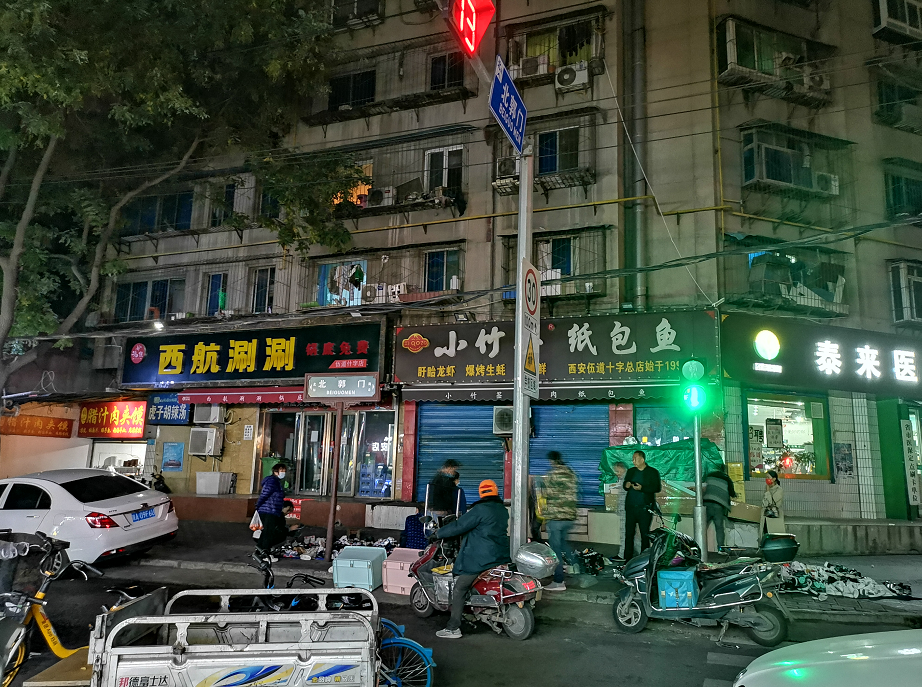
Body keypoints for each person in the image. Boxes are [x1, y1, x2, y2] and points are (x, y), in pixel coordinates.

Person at [433, 479, 511, 639]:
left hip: (481, 559)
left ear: (481, 493)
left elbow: (459, 526)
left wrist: (438, 534)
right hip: (500, 555)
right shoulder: (502, 510)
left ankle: (453, 628)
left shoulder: (480, 510)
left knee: (460, 588)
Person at [541, 450, 578, 591]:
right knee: (563, 544)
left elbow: (545, 494)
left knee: (555, 550)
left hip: (556, 517)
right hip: (569, 516)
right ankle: (577, 568)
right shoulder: (571, 473)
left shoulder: (552, 475)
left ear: (551, 461)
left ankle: (558, 581)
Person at [622, 450, 662, 561]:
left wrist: (642, 488)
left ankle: (644, 559)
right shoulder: (631, 471)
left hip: (644, 508)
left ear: (642, 459)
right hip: (631, 507)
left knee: (645, 534)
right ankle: (627, 559)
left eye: (635, 459)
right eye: (632, 459)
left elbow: (657, 488)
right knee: (629, 534)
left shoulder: (652, 472)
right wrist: (626, 485)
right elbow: (625, 485)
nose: (633, 461)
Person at [255, 463, 288, 553]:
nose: (283, 472)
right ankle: (264, 552)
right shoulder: (272, 481)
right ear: (275, 471)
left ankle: (259, 551)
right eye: (281, 470)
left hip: (272, 510)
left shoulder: (276, 481)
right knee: (268, 532)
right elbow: (264, 494)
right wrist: (258, 505)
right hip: (269, 510)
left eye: (284, 471)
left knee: (267, 532)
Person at [702, 464, 737, 550]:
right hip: (718, 506)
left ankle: (699, 547)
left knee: (702, 527)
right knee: (719, 528)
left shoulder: (709, 476)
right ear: (723, 470)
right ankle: (721, 548)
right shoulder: (726, 479)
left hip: (706, 504)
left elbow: (703, 487)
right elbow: (732, 493)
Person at [760, 470, 786, 535]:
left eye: (768, 477)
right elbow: (765, 503)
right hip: (765, 517)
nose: (767, 479)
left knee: (774, 535)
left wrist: (767, 492)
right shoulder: (767, 488)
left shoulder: (779, 490)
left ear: (774, 479)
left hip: (774, 517)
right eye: (766, 477)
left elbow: (772, 503)